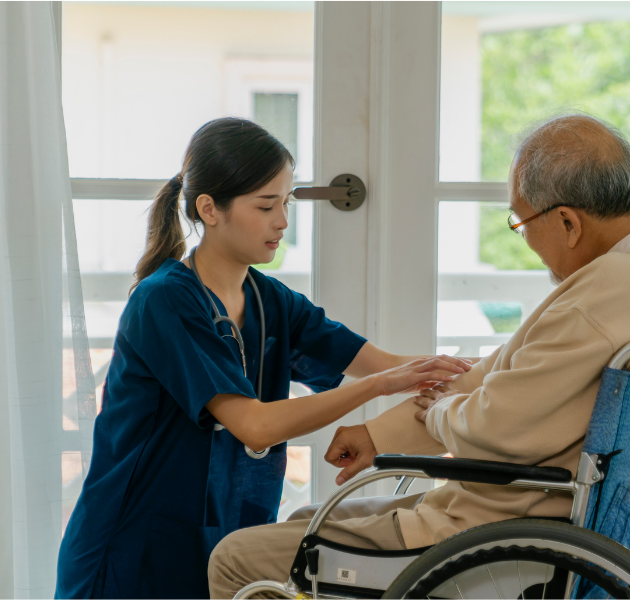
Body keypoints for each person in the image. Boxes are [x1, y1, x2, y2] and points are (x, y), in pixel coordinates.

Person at [206, 114, 630, 598]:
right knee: (304, 520)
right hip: (509, 509)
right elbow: (488, 377)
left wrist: (437, 410)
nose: (524, 237)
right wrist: (378, 436)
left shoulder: (599, 297)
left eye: (521, 222)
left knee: (235, 558)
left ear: (568, 222)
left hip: (488, 531)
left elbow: (494, 423)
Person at [55, 118, 471, 599]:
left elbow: (385, 363)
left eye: (287, 203)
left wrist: (496, 368)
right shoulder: (166, 300)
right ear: (209, 209)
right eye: (266, 205)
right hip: (134, 545)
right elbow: (255, 425)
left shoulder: (270, 300)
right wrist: (380, 385)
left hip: (220, 536)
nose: (283, 221)